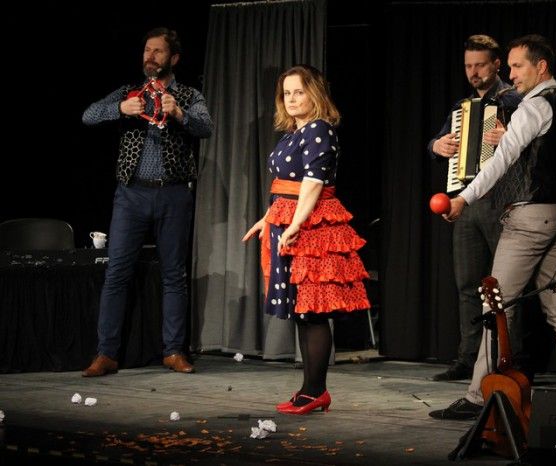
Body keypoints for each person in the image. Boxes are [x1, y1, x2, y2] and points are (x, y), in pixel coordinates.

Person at [431, 34, 556, 419]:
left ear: (541, 67)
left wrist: (463, 198)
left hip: (529, 218)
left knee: (495, 303)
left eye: (518, 66)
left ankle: (476, 397)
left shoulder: (532, 108)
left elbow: (499, 160)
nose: (513, 74)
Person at [81, 27, 213, 377]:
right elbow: (88, 115)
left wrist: (180, 114)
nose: (150, 56)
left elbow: (206, 127)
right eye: (146, 50)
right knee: (117, 273)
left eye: (158, 51)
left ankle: (173, 351)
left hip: (173, 194)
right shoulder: (129, 92)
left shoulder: (187, 94)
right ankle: (106, 354)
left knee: (173, 275)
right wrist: (119, 109)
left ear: (173, 58)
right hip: (132, 195)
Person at [243, 65, 370, 415]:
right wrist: (267, 219)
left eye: (299, 92)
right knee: (303, 311)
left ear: (315, 94)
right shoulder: (293, 133)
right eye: (287, 93)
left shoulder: (318, 129)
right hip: (291, 221)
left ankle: (316, 391)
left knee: (313, 311)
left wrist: (296, 224)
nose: (292, 99)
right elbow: (284, 188)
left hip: (313, 228)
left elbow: (313, 183)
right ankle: (309, 389)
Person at [427, 35, 521, 382]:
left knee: (507, 286)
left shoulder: (515, 100)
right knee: (468, 284)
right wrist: (437, 146)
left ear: (497, 64)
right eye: (468, 66)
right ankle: (468, 358)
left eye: (480, 65)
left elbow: (537, 148)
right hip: (466, 201)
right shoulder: (462, 107)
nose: (473, 72)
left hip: (503, 202)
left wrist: (509, 137)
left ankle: (511, 360)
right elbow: (436, 144)